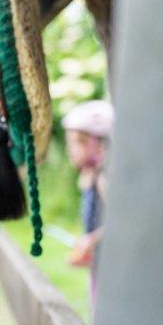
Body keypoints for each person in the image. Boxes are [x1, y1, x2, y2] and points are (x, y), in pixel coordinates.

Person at [62, 100, 113, 310]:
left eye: (76, 143)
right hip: (100, 264)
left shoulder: (103, 179)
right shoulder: (90, 177)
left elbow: (120, 221)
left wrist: (91, 240)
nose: (69, 150)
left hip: (111, 265)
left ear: (97, 145)